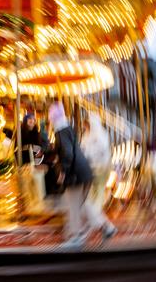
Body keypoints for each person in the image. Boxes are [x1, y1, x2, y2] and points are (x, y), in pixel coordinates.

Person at [49, 101, 115, 244]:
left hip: (75, 173)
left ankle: (76, 235)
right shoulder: (67, 129)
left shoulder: (61, 132)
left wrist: (63, 172)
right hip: (82, 171)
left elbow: (67, 153)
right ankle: (106, 227)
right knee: (83, 203)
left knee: (73, 204)